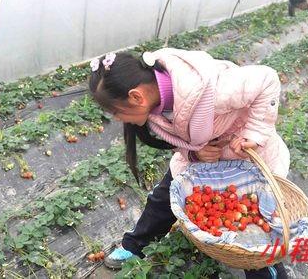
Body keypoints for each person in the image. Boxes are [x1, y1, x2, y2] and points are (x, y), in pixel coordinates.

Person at [88, 50, 291, 278]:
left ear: (136, 97)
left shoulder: (208, 89)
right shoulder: (155, 108)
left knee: (251, 228)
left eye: (116, 112)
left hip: (245, 158)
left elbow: (267, 79)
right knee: (163, 199)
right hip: (205, 159)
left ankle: (267, 271)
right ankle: (134, 246)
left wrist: (255, 132)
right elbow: (176, 140)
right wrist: (195, 154)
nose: (117, 119)